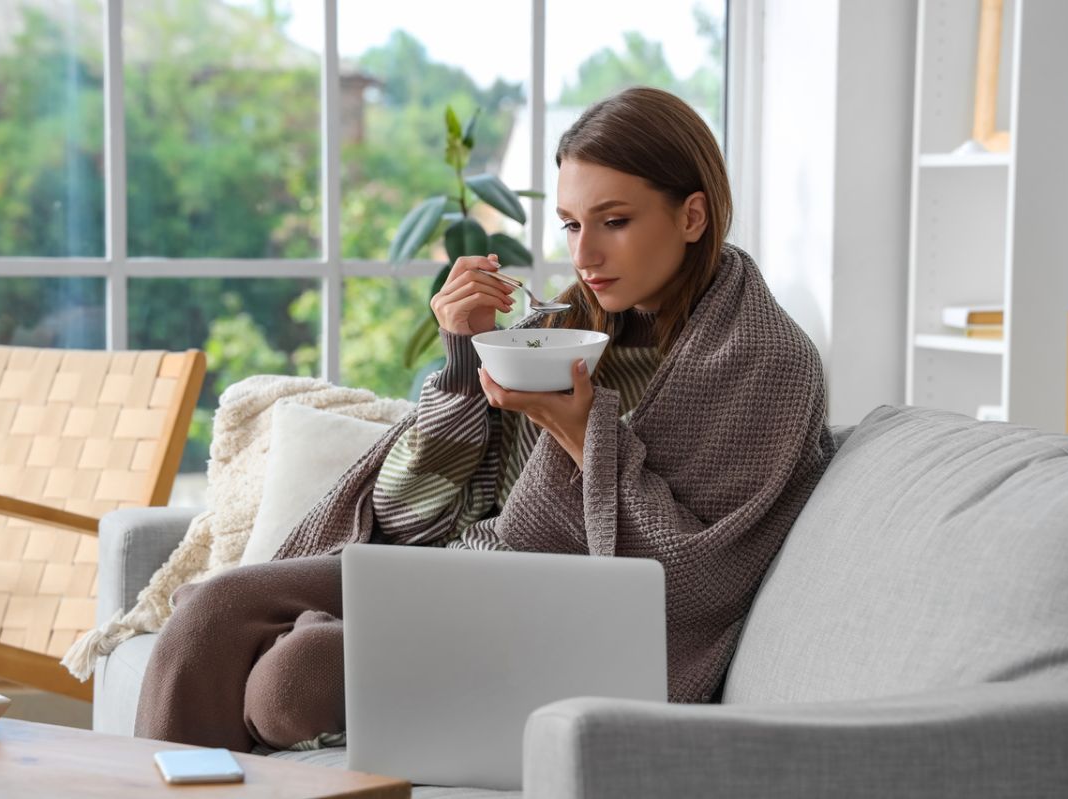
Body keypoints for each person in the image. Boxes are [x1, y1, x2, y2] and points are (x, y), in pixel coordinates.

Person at [135, 86, 836, 753]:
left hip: (565, 627)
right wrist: (466, 360)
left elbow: (691, 585)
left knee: (294, 679)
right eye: (571, 224)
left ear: (692, 215)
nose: (584, 255)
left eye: (614, 222)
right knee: (212, 611)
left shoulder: (766, 363)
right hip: (465, 574)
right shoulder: (561, 331)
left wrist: (584, 433)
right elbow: (409, 515)